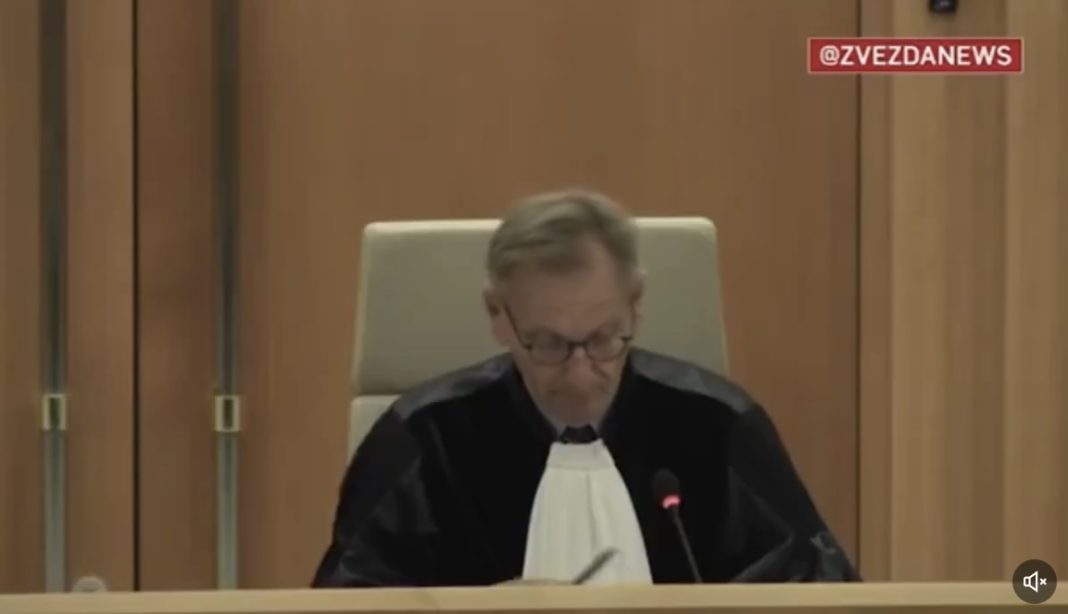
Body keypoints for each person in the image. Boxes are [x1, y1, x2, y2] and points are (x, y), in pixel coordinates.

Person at [311, 189, 860, 587]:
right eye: (548, 344)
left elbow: (821, 591)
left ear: (636, 304)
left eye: (601, 340)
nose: (579, 375)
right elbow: (348, 603)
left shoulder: (715, 425)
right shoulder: (426, 440)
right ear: (498, 316)